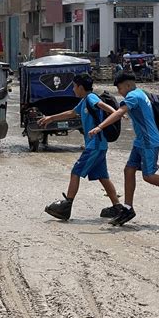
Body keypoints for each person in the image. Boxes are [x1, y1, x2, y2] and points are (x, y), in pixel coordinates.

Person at [89, 71, 159, 226]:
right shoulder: (140, 93)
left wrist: (100, 127)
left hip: (149, 141)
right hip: (140, 141)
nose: (120, 93)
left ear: (128, 85)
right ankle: (128, 208)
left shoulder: (133, 96)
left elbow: (120, 112)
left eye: (120, 89)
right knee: (129, 170)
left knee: (148, 176)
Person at [38, 73, 122, 221]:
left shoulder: (91, 98)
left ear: (81, 88)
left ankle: (66, 207)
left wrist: (116, 113)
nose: (73, 89)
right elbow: (71, 113)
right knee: (103, 177)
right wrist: (51, 118)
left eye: (74, 86)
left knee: (75, 172)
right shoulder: (84, 101)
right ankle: (117, 207)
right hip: (99, 145)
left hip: (95, 145)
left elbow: (102, 105)